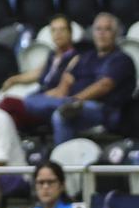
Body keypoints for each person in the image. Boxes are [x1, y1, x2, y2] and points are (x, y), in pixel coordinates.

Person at [23, 13, 136, 144]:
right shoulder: (87, 57)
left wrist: (75, 101)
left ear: (116, 34)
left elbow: (104, 85)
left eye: (107, 29)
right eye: (98, 29)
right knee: (31, 100)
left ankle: (61, 161)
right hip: (71, 101)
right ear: (93, 33)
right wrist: (52, 96)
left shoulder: (121, 59)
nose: (102, 33)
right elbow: (67, 79)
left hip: (103, 108)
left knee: (61, 115)